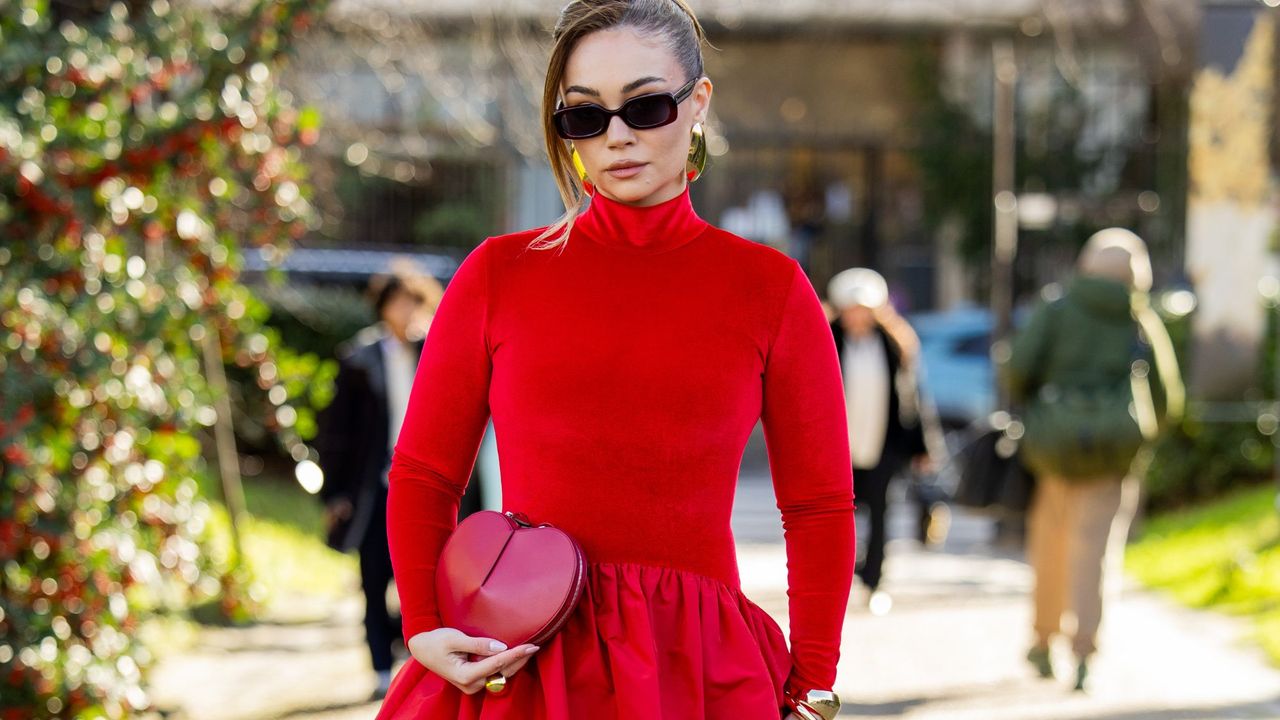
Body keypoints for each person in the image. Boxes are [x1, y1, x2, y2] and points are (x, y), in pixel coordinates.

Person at [376, 2, 855, 718]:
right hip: (520, 662)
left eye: (646, 106)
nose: (618, 137)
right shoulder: (498, 274)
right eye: (586, 115)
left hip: (697, 669)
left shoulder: (771, 290)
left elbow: (816, 505)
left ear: (698, 104)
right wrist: (423, 628)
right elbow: (424, 473)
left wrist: (813, 677)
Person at [1004, 228, 1184, 692]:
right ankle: (1084, 652)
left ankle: (1043, 642)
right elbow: (1169, 396)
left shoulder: (1058, 308)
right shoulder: (1138, 318)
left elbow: (1018, 369)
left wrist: (1042, 410)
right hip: (1111, 458)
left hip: (1054, 452)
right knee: (1095, 554)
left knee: (1049, 550)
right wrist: (1140, 436)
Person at [315, 262, 481, 700]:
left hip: (431, 485)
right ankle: (381, 667)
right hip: (374, 487)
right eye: (395, 302)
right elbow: (337, 433)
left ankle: (414, 649)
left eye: (411, 301)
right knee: (374, 578)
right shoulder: (359, 359)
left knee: (429, 581)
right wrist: (335, 493)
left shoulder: (437, 350)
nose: (403, 311)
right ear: (382, 307)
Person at [827, 268, 938, 615]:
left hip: (882, 445)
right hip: (837, 449)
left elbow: (912, 399)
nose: (857, 316)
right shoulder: (824, 340)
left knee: (880, 515)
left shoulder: (894, 346)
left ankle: (874, 580)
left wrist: (923, 447)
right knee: (835, 519)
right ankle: (837, 580)